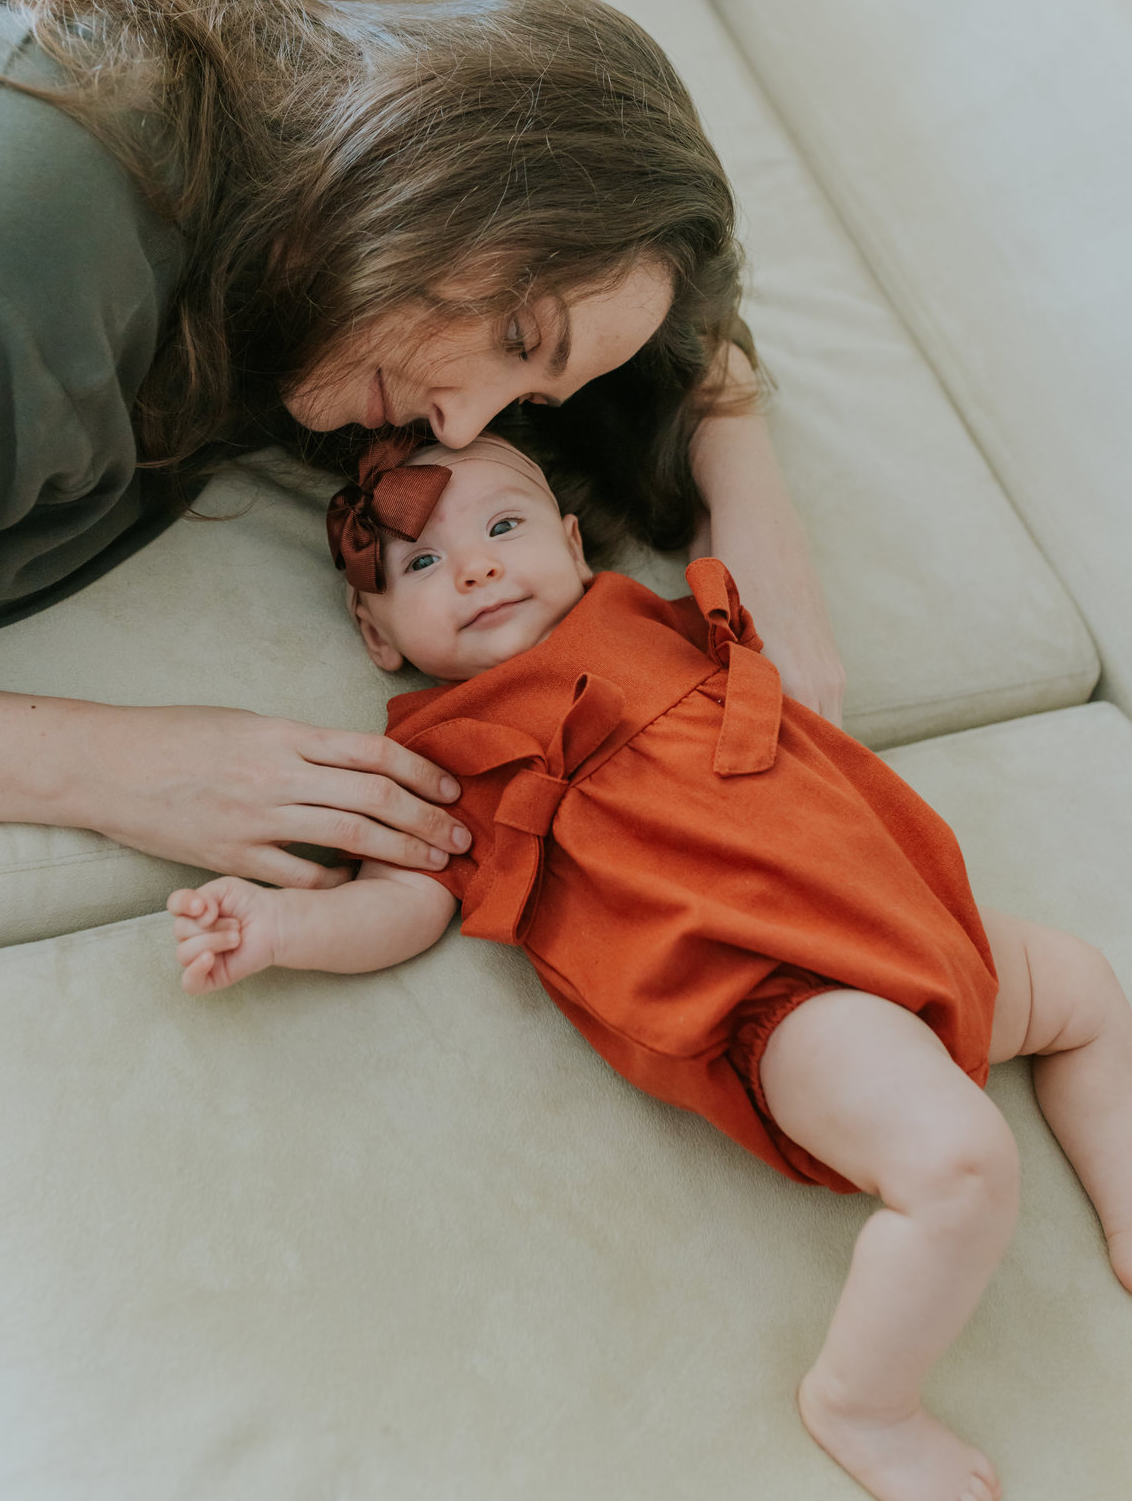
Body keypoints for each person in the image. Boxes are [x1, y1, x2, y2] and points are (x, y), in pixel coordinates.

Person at [169, 433, 1132, 1501]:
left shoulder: (643, 614)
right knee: (959, 1164)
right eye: (421, 566)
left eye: (502, 527)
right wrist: (278, 929)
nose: (477, 567)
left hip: (908, 921)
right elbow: (404, 903)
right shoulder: (446, 752)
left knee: (1085, 988)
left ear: (577, 545)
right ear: (374, 629)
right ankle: (865, 1403)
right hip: (782, 995)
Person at [0, 0, 842, 887]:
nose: (452, 427)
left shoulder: (327, 100)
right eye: (518, 335)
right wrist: (111, 769)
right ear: (442, 167)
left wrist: (759, 530)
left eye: (528, 396)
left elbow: (684, 311)